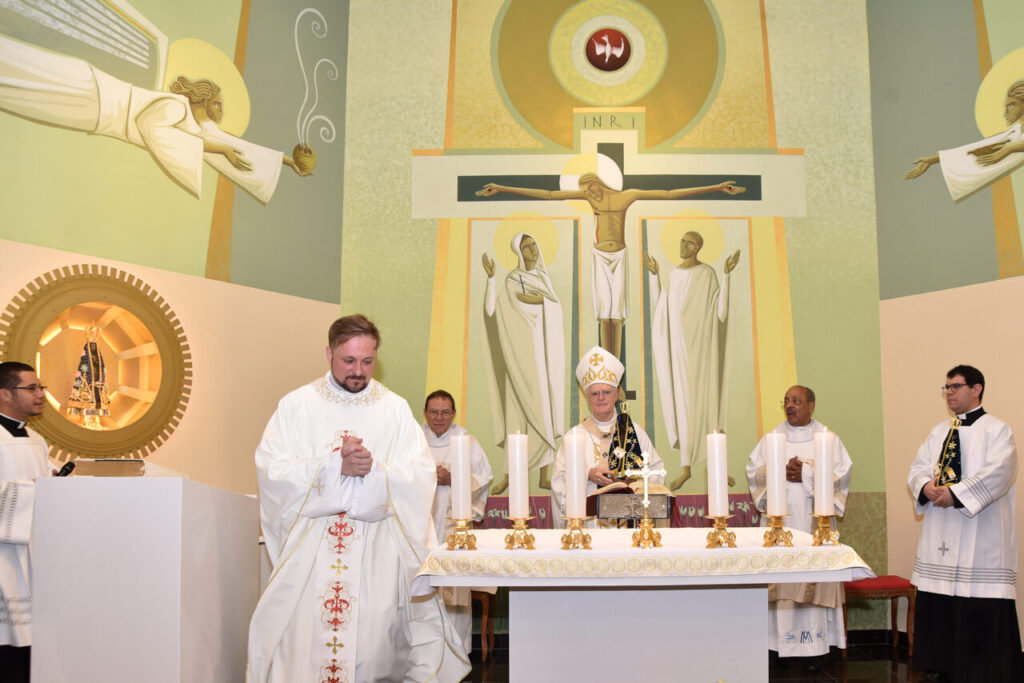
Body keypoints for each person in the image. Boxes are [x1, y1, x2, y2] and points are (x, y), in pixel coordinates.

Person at [247, 315, 469, 683]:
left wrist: (373, 472)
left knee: (373, 651)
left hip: (375, 554)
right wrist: (333, 467)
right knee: (304, 648)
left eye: (367, 362)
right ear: (328, 353)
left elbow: (420, 474)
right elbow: (271, 469)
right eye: (348, 361)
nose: (358, 371)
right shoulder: (296, 406)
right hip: (311, 557)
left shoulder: (394, 409)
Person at [0, 35, 310, 203]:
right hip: (91, 93)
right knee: (19, 68)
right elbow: (152, 128)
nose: (221, 112)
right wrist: (220, 150)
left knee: (18, 93)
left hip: (92, 112)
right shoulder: (175, 108)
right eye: (218, 104)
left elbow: (233, 144)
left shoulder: (191, 124)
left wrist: (287, 161)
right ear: (202, 100)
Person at [477, 174, 744, 361]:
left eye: (591, 186)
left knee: (617, 315)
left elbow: (667, 194)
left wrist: (716, 188)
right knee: (604, 313)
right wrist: (503, 189)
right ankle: (607, 365)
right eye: (585, 188)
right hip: (599, 257)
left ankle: (614, 367)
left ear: (599, 183)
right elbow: (549, 195)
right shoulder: (589, 198)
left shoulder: (625, 196)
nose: (589, 192)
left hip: (619, 256)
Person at [908, 365, 1019, 682]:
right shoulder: (938, 432)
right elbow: (917, 468)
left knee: (978, 604)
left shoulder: (997, 431)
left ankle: (981, 669)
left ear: (977, 388)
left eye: (955, 386)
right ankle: (941, 665)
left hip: (980, 534)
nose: (949, 393)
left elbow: (1000, 473)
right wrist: (925, 487)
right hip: (942, 531)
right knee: (940, 600)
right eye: (946, 388)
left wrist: (955, 495)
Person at [745, 385, 852, 659]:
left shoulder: (827, 439)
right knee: (781, 579)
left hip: (814, 525)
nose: (790, 406)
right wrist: (780, 471)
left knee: (812, 578)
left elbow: (841, 477)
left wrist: (805, 472)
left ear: (811, 405)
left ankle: (817, 646)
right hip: (779, 528)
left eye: (796, 401)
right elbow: (754, 472)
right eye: (786, 402)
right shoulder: (772, 439)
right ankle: (777, 644)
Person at [644, 231, 739, 490]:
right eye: (682, 240)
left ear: (698, 246)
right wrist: (655, 276)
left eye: (689, 242)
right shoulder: (674, 274)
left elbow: (720, 311)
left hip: (703, 349)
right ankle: (685, 468)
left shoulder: (707, 273)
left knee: (707, 404)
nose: (683, 245)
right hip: (681, 350)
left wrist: (727, 274)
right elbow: (662, 307)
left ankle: (717, 466)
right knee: (684, 406)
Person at [482, 232, 565, 493]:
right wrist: (492, 279)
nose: (532, 249)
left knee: (543, 411)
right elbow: (494, 313)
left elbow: (554, 310)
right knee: (516, 415)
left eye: (533, 245)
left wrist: (543, 301)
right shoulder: (512, 280)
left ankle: (543, 476)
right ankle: (509, 475)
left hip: (541, 358)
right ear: (518, 252)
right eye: (526, 246)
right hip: (517, 358)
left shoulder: (543, 278)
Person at [550, 345, 664, 529]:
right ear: (587, 396)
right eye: (595, 393)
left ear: (617, 392)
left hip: (628, 530)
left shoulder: (633, 432)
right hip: (589, 531)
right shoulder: (574, 437)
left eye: (607, 392)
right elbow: (558, 483)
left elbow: (656, 472)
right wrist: (587, 475)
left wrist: (633, 480)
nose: (601, 398)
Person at [422, 389, 493, 654]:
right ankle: (425, 652)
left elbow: (484, 476)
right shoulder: (414, 439)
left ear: (453, 413)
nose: (439, 417)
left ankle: (457, 651)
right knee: (424, 589)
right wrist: (430, 475)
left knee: (454, 588)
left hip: (455, 526)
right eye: (433, 412)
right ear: (425, 413)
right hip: (422, 527)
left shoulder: (466, 441)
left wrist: (453, 478)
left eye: (444, 412)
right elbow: (400, 475)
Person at [0, 362, 51, 683]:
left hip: (34, 556)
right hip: (4, 559)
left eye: (40, 387)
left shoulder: (36, 439)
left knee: (34, 651)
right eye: (31, 388)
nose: (40, 394)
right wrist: (35, 490)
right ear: (4, 394)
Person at [905, 80, 1024, 202]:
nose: (1005, 113)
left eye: (1011, 105)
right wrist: (934, 159)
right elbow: (980, 147)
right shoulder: (1015, 131)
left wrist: (1010, 148)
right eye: (1006, 106)